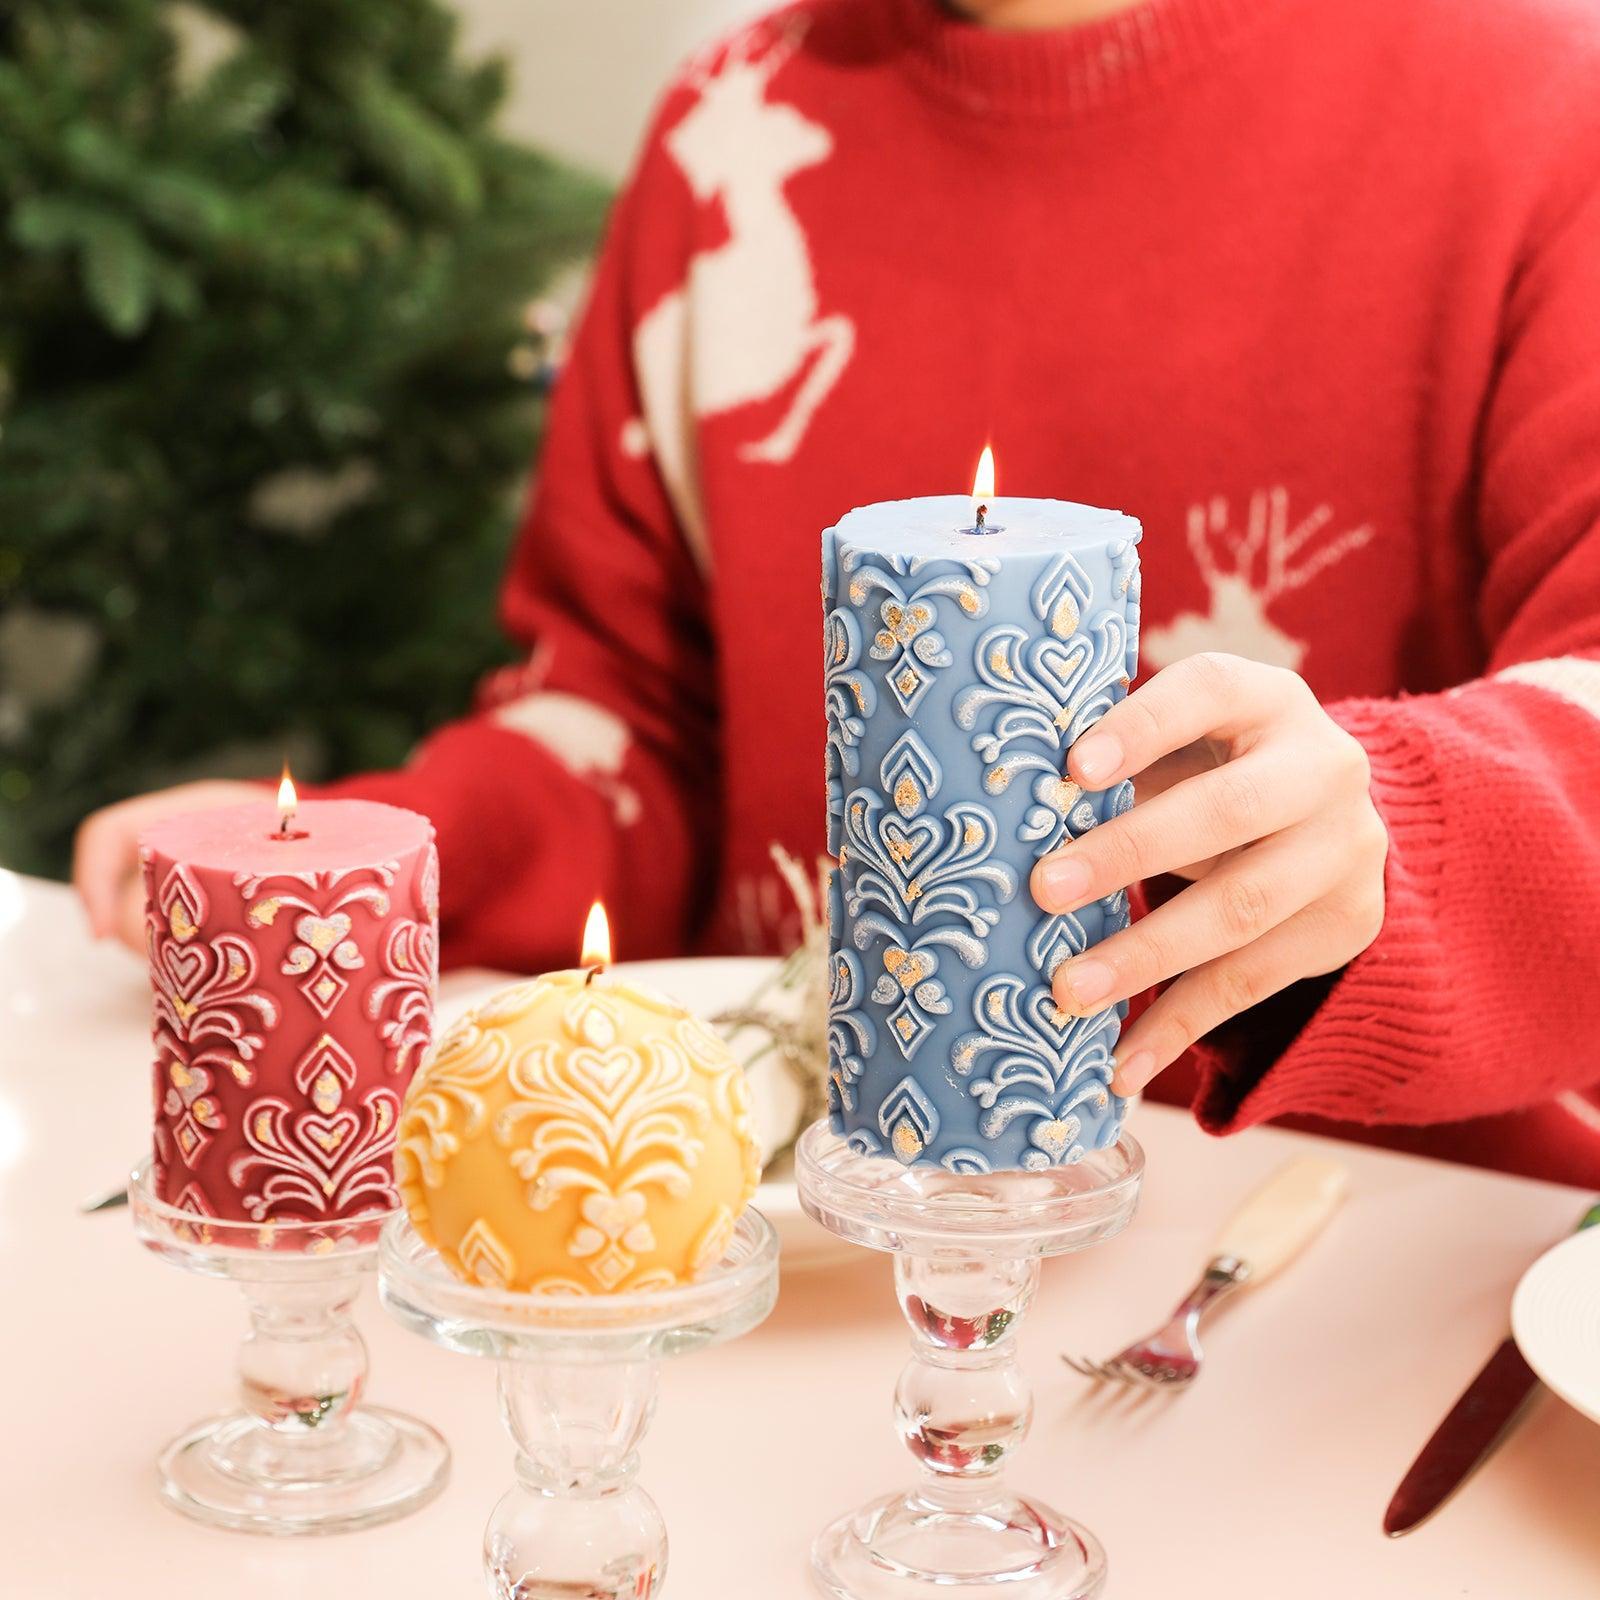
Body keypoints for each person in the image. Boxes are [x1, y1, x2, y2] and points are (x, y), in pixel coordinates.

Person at [75, 0, 1600, 1186]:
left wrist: (1381, 843)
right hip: (818, 1254)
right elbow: (630, 722)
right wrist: (379, 863)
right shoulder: (735, 125)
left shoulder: (1540, 105)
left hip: (1340, 1278)